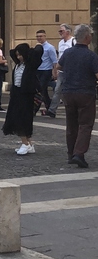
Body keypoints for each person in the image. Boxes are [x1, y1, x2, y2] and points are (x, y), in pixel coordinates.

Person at [57, 24, 98, 168]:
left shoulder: (68, 53)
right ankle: (79, 153)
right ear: (87, 37)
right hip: (85, 93)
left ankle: (70, 153)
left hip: (68, 92)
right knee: (85, 125)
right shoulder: (91, 56)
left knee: (71, 124)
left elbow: (58, 67)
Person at [2, 43, 43, 155]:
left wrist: (32, 47)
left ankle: (25, 143)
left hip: (26, 95)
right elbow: (11, 52)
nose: (19, 57)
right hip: (17, 95)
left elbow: (38, 51)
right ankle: (29, 144)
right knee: (18, 118)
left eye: (21, 55)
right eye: (17, 55)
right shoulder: (18, 65)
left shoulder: (30, 65)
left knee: (22, 120)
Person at [43, 23, 76, 118]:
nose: (60, 33)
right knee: (57, 90)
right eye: (59, 31)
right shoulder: (60, 43)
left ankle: (73, 109)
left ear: (68, 32)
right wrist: (56, 69)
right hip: (62, 70)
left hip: (71, 71)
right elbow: (59, 57)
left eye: (61, 31)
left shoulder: (73, 41)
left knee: (70, 91)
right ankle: (52, 110)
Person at [34, 29, 58, 114]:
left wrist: (54, 72)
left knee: (41, 90)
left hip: (46, 71)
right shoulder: (37, 47)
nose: (39, 38)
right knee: (42, 91)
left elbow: (54, 61)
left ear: (45, 36)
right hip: (38, 70)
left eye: (40, 36)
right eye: (37, 36)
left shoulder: (50, 47)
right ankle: (49, 107)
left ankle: (35, 109)